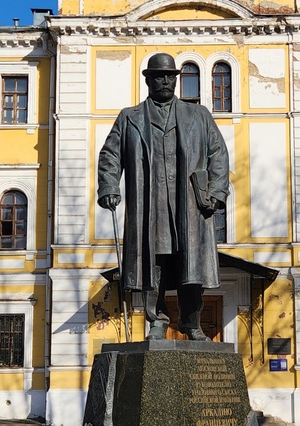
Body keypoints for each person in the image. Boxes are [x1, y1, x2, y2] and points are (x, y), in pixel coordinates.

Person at [97, 53, 229, 340]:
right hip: (150, 203)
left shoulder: (199, 115)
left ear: (177, 79)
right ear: (148, 80)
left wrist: (217, 192)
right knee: (152, 265)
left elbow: (218, 154)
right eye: (159, 76)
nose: (165, 81)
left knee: (190, 266)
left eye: (170, 76)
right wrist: (109, 187)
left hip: (191, 204)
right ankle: (157, 321)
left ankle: (191, 322)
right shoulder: (129, 117)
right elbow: (109, 156)